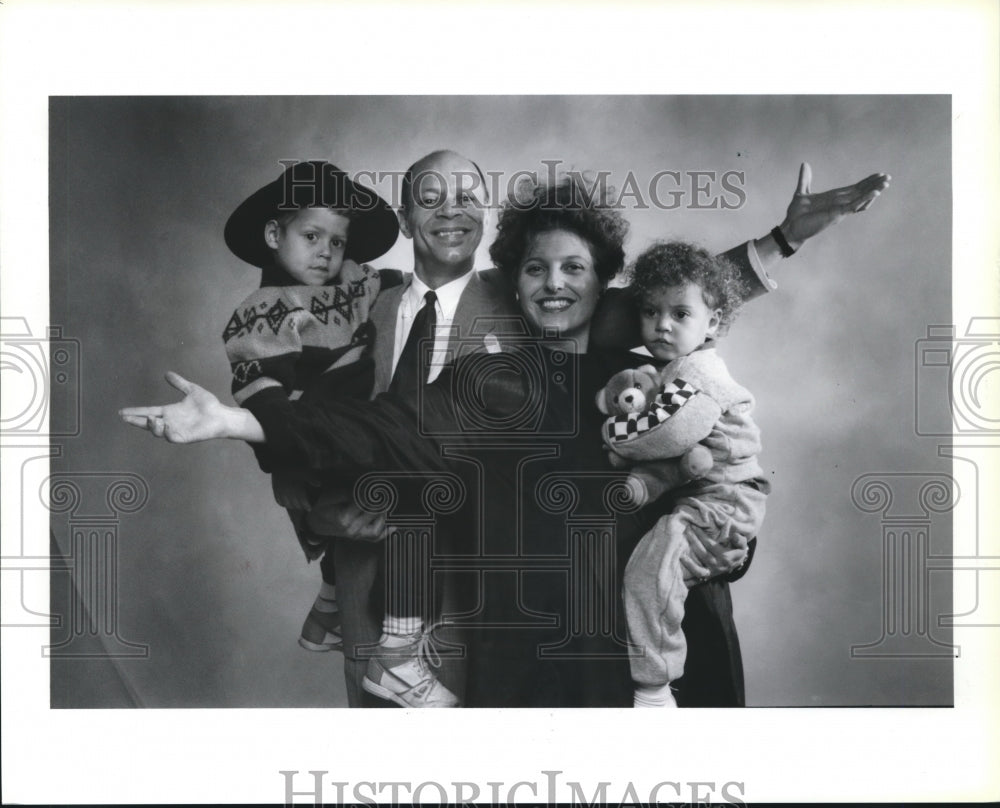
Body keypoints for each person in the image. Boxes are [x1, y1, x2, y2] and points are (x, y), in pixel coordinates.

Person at [120, 165, 890, 706]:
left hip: (664, 649)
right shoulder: (488, 383)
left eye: (575, 269)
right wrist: (240, 420)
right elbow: (378, 429)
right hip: (535, 658)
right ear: (513, 284)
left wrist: (784, 239)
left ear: (606, 283)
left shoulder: (656, 361)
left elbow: (702, 296)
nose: (554, 282)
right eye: (535, 269)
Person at [219, 160, 399, 653]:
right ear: (275, 235)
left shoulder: (356, 282)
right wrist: (286, 465)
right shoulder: (265, 309)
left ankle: (327, 610)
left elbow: (401, 283)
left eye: (336, 242)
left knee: (377, 510)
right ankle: (336, 611)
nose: (326, 253)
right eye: (312, 237)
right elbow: (264, 396)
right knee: (371, 514)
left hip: (363, 423)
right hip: (312, 434)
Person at [598, 241, 767, 707]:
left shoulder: (696, 373)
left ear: (712, 323)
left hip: (722, 502)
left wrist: (613, 432)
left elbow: (668, 434)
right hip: (708, 495)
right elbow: (678, 462)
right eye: (651, 311)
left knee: (652, 571)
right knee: (656, 568)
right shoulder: (670, 369)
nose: (662, 324)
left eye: (679, 314)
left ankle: (653, 687)